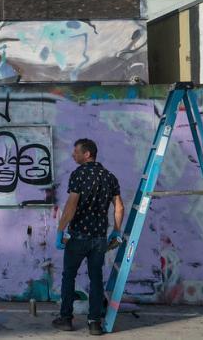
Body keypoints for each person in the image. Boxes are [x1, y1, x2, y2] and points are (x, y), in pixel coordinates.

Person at [52, 139, 125, 336]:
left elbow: (71, 205)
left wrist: (60, 229)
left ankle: (66, 319)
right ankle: (94, 323)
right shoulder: (110, 177)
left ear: (87, 154)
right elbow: (119, 207)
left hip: (78, 236)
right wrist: (116, 231)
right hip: (99, 238)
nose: (72, 155)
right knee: (96, 279)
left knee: (69, 276)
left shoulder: (79, 174)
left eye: (76, 152)